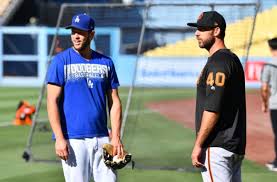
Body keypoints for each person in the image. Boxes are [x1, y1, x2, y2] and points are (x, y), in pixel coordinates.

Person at [46, 13, 124, 182]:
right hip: (73, 138)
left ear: (91, 34)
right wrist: (59, 138)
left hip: (103, 137)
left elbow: (115, 101)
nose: (76, 36)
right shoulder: (60, 61)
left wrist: (116, 137)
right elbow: (51, 102)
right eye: (73, 31)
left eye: (80, 32)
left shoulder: (106, 62)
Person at [187, 11, 246, 181]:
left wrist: (199, 144)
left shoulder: (218, 63)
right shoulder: (231, 59)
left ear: (216, 31)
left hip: (216, 146)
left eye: (202, 29)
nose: (197, 33)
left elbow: (213, 108)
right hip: (233, 145)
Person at [260, 37, 277, 171]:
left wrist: (264, 103)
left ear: (271, 48)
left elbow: (265, 88)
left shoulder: (268, 65)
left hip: (275, 104)